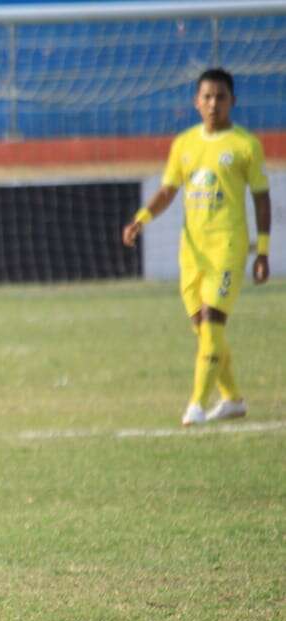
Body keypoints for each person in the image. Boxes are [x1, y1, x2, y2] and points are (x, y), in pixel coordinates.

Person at [123, 67, 271, 426]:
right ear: (196, 102)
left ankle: (195, 405)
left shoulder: (244, 145)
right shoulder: (185, 144)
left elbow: (262, 199)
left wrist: (262, 250)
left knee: (213, 320)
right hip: (192, 252)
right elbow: (167, 191)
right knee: (204, 330)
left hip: (228, 248)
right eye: (207, 97)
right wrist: (141, 218)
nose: (213, 103)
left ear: (232, 101)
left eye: (220, 97)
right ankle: (233, 399)